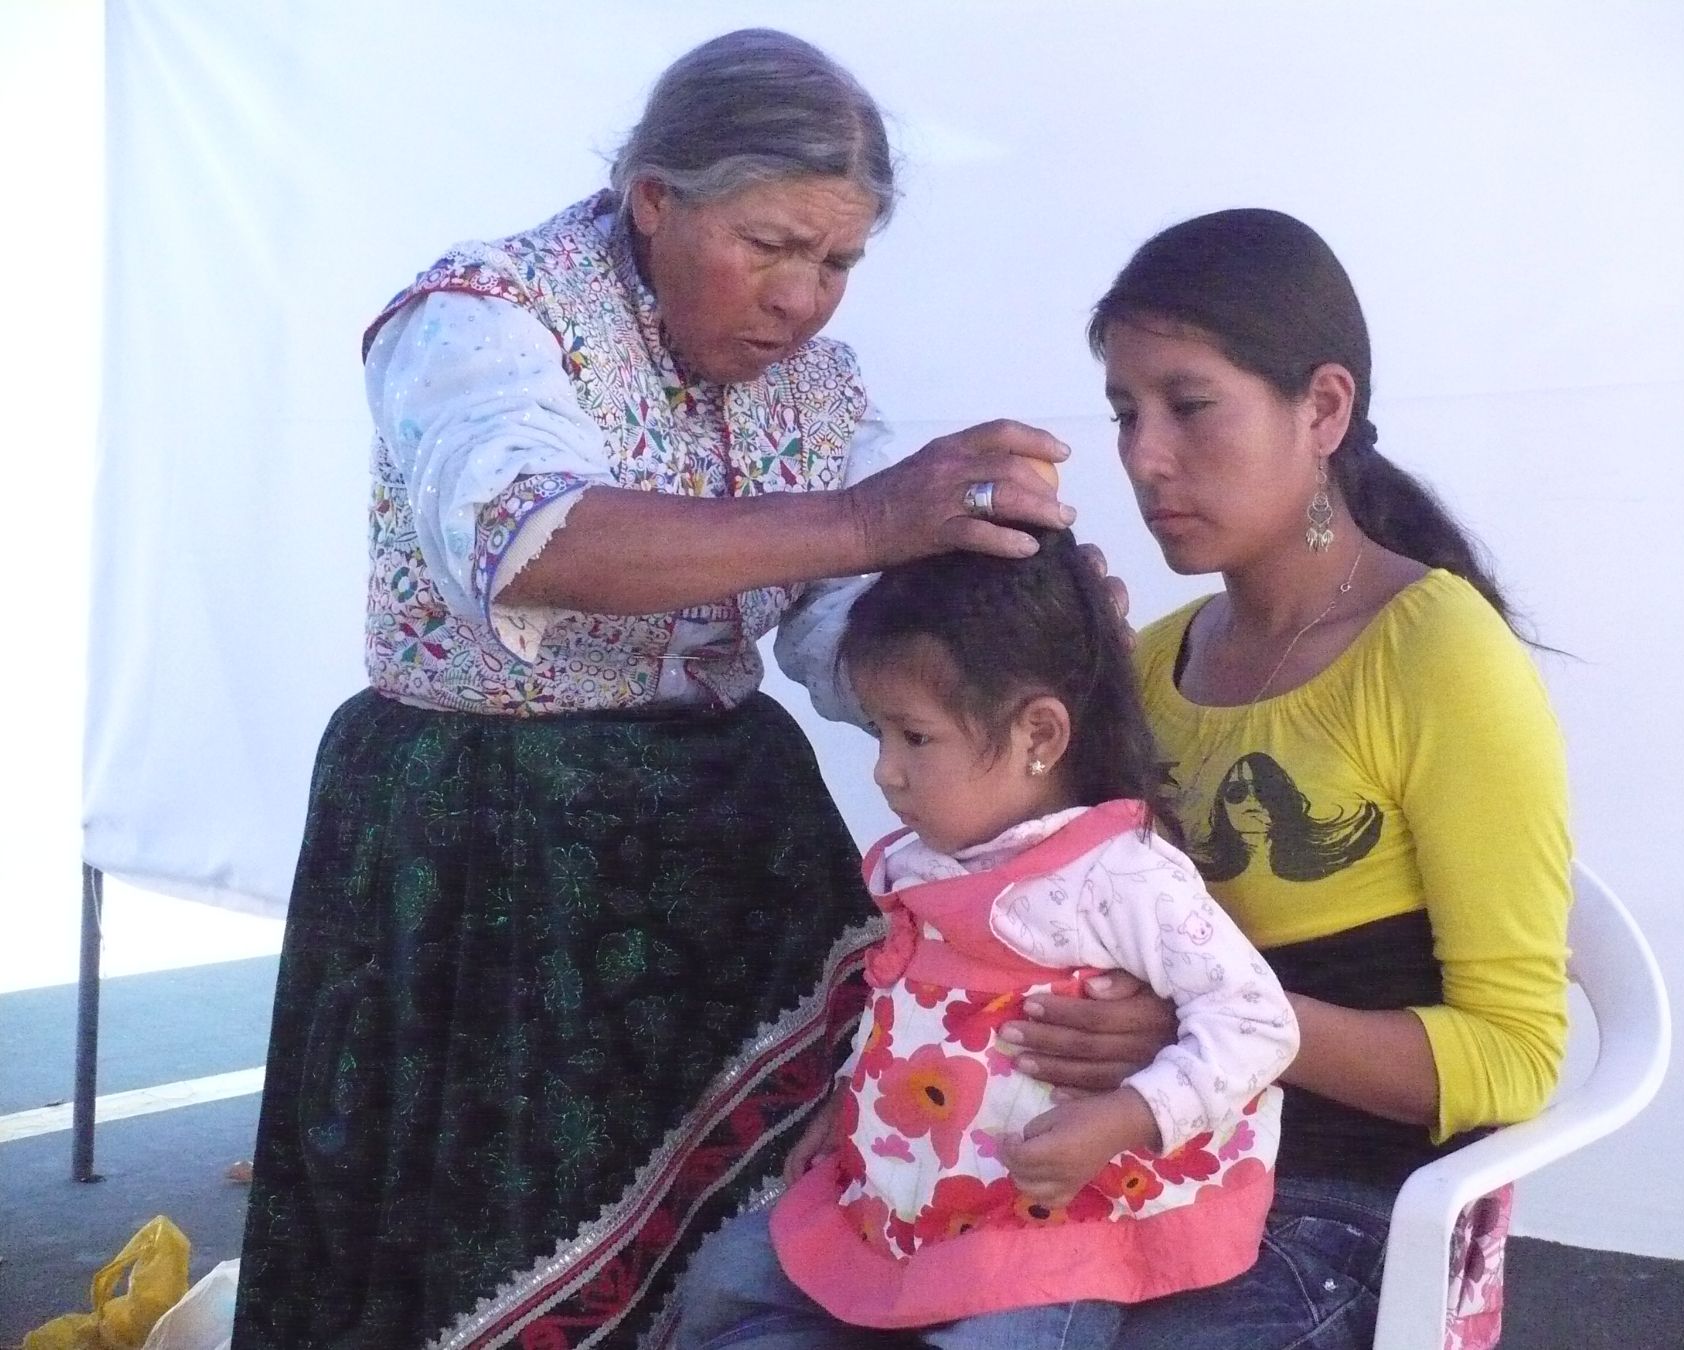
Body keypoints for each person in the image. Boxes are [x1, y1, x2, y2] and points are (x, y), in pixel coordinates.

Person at [232, 30, 1082, 1350]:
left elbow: (839, 625)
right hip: (481, 839)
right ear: (654, 199)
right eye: (771, 244)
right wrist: (869, 518)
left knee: (754, 1231)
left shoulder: (810, 388)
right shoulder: (482, 316)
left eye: (838, 261)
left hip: (715, 830)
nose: (803, 299)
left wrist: (1017, 634)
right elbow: (534, 537)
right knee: (478, 1227)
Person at [1044, 207, 1569, 1350]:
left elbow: (1516, 1057)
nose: (1144, 455)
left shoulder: (1435, 653)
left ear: (1322, 408)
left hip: (1340, 1201)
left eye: (1189, 407)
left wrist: (1203, 1023)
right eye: (1125, 414)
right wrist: (1045, 679)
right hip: (1153, 1160)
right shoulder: (1153, 658)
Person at [677, 530, 1299, 1350]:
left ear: (1040, 737)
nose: (886, 772)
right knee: (730, 1277)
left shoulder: (1121, 874)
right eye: (880, 736)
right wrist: (848, 1105)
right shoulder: (926, 863)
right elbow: (908, 1005)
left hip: (1050, 1229)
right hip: (921, 1193)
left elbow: (1257, 1021)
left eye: (915, 737)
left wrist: (1126, 1116)